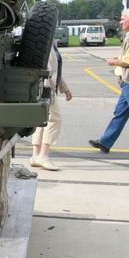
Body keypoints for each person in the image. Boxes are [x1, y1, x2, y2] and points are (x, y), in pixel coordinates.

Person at [89, 8, 129, 153]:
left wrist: (114, 62)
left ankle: (105, 142)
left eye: (123, 19)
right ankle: (105, 142)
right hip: (128, 81)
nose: (120, 22)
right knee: (120, 113)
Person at [29, 40, 72, 170]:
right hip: (46, 87)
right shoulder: (46, 44)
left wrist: (64, 88)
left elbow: (55, 70)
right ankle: (43, 155)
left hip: (45, 87)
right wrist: (53, 89)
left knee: (41, 121)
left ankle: (36, 155)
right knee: (54, 119)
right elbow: (48, 71)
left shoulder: (50, 43)